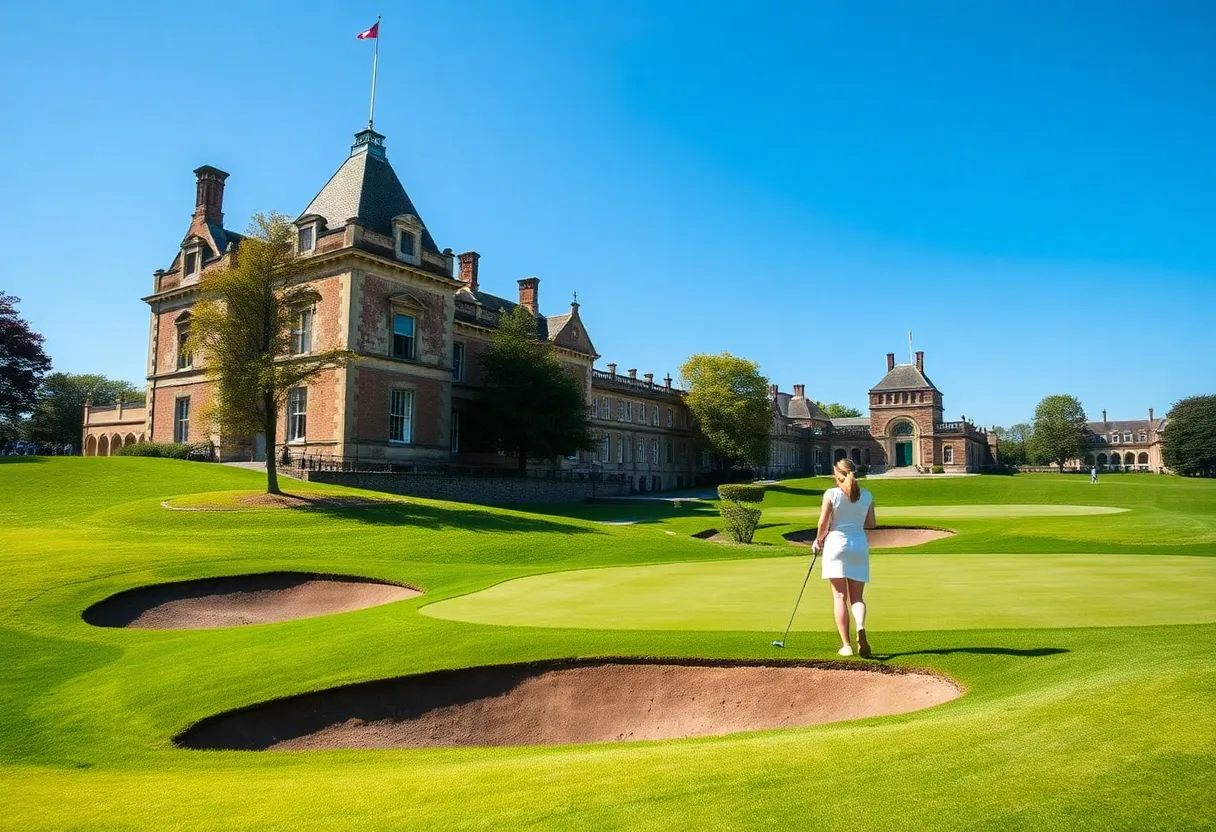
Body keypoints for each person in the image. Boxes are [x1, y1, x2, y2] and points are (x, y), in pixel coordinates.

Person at [812, 458, 877, 657]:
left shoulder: (831, 494)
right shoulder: (866, 495)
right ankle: (860, 626)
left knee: (840, 596)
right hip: (858, 545)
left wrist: (817, 541)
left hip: (836, 545)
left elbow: (823, 525)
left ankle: (846, 645)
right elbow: (871, 524)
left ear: (836, 474)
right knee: (857, 597)